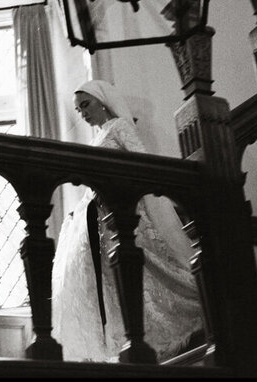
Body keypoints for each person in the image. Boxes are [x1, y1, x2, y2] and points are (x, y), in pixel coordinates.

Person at [51, 79, 204, 363]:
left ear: (102, 101)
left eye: (86, 105)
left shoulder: (120, 127)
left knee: (144, 270)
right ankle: (114, 342)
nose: (82, 113)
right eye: (78, 109)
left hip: (122, 209)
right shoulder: (96, 138)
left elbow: (141, 162)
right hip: (98, 214)